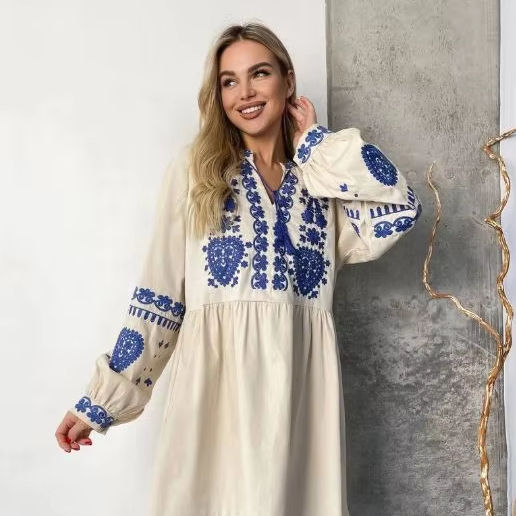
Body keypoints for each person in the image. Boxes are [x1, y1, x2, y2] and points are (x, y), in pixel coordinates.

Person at [55, 21, 422, 516]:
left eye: (259, 74)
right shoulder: (195, 171)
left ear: (288, 82)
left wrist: (315, 143)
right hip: (216, 392)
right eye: (229, 81)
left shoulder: (320, 181)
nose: (244, 93)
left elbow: (400, 205)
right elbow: (160, 298)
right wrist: (102, 401)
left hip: (301, 392)